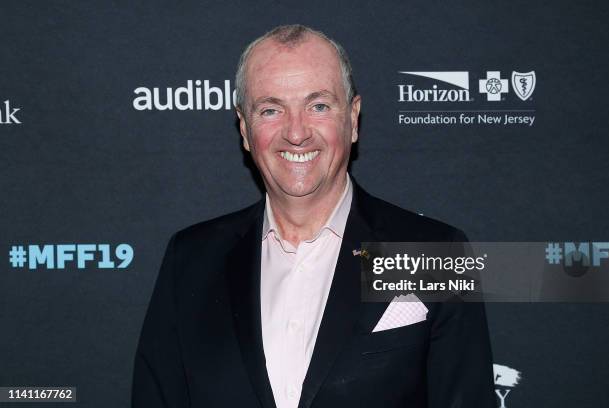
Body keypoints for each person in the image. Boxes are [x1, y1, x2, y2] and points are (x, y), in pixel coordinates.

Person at [132, 24, 495, 408]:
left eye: (318, 106)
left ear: (353, 118)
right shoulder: (191, 260)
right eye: (271, 109)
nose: (296, 133)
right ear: (244, 127)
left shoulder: (431, 254)